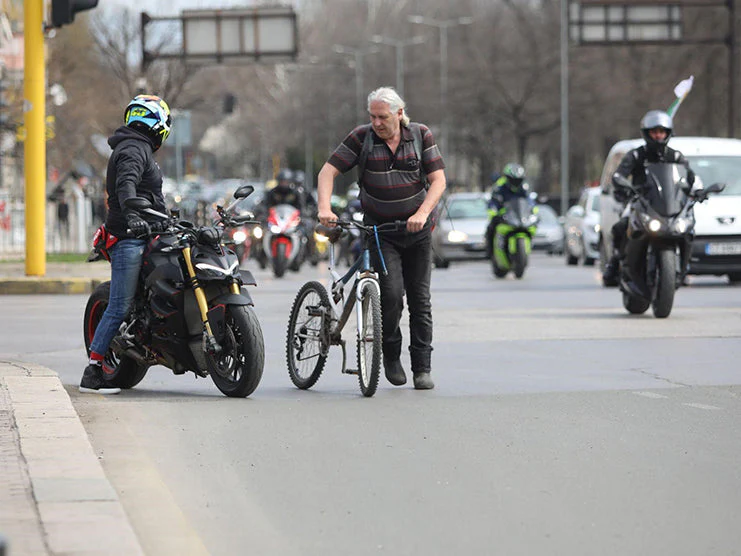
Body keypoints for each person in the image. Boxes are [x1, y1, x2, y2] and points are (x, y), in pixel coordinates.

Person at [316, 86, 446, 390]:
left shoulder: (420, 135)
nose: (377, 122)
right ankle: (390, 357)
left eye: (383, 117)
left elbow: (438, 180)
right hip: (380, 231)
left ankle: (422, 368)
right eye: (372, 116)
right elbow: (327, 172)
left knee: (420, 300)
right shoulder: (362, 138)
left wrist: (422, 214)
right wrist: (324, 207)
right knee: (390, 295)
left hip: (417, 231)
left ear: (399, 114)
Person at [80, 94, 172, 394]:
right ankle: (93, 368)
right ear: (156, 121)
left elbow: (149, 195)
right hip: (129, 237)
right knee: (119, 305)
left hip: (148, 231)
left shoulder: (139, 147)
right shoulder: (133, 149)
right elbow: (126, 186)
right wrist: (133, 216)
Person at [602, 109, 695, 282]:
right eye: (654, 132)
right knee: (621, 226)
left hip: (668, 204)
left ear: (667, 133)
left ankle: (684, 264)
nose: (658, 136)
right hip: (641, 201)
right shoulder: (636, 155)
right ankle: (614, 262)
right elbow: (619, 174)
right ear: (647, 133)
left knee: (688, 227)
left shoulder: (675, 156)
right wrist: (622, 183)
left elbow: (690, 178)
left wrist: (694, 190)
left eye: (661, 132)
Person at [484, 162, 531, 259]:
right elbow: (493, 201)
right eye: (513, 180)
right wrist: (494, 212)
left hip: (518, 216)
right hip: (504, 215)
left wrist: (533, 210)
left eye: (518, 180)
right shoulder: (500, 186)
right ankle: (490, 251)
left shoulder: (523, 188)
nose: (516, 182)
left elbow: (529, 201)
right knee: (491, 228)